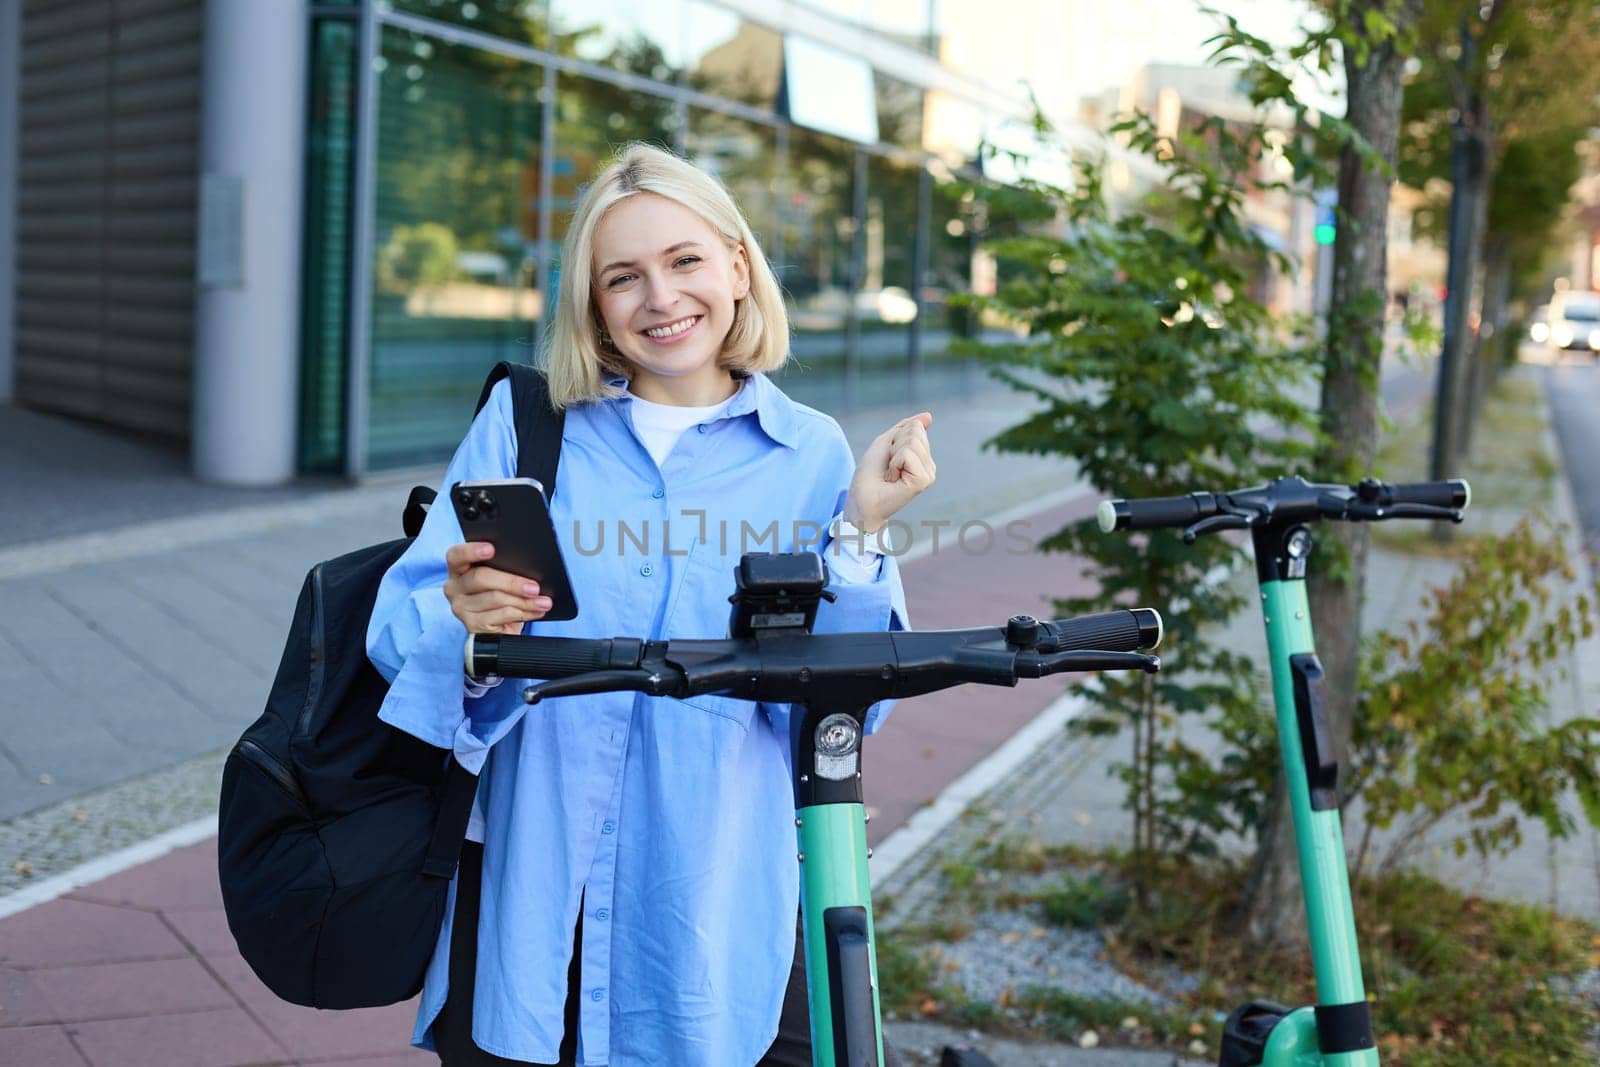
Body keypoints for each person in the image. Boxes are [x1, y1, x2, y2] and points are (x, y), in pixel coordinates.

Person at [367, 142, 936, 1066]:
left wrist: (862, 532)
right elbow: (402, 635)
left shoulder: (813, 454)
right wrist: (461, 618)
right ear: (593, 305)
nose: (661, 299)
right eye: (622, 277)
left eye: (685, 262)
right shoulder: (525, 425)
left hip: (709, 904)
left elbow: (846, 707)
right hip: (533, 894)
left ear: (738, 267)